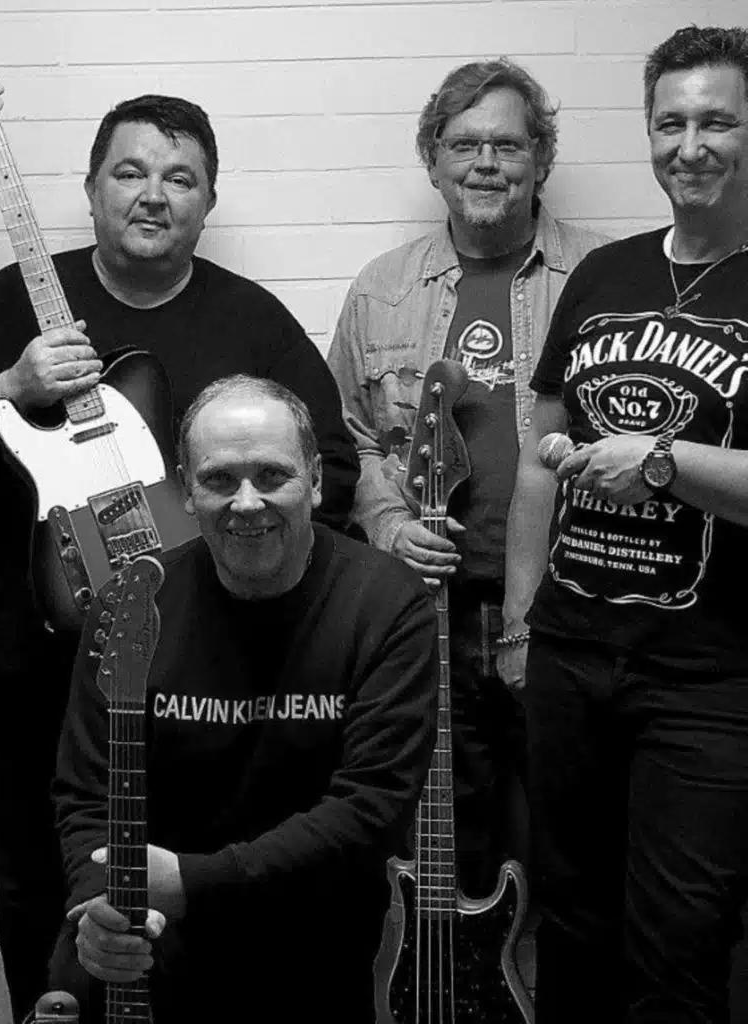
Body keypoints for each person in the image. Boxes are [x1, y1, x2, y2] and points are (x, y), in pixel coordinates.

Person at [0, 94, 359, 1020]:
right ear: (92, 187)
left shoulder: (253, 319)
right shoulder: (14, 300)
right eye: (131, 172)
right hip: (45, 663)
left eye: (181, 178)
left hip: (218, 679)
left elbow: (332, 469)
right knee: (42, 884)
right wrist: (9, 383)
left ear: (208, 199)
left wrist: (228, 543)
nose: (154, 194)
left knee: (206, 891)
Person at [49, 375, 437, 1023]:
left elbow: (371, 809)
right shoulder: (133, 602)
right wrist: (104, 906)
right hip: (157, 932)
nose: (248, 502)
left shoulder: (387, 603)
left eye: (273, 476)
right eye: (220, 479)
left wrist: (193, 883)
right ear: (186, 490)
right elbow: (87, 793)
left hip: (314, 938)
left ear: (316, 480)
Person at [501, 25, 748, 1023]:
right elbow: (538, 456)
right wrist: (520, 621)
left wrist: (663, 461)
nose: (690, 146)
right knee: (568, 925)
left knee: (678, 946)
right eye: (669, 123)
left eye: (717, 121)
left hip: (709, 679)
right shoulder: (603, 275)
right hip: (570, 658)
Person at [326, 59, 607, 896]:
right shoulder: (382, 290)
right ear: (434, 161)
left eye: (508, 145)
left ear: (541, 159)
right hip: (429, 614)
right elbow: (346, 439)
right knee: (449, 843)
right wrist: (387, 524)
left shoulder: (604, 279)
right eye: (464, 144)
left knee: (584, 837)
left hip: (572, 609)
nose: (486, 163)